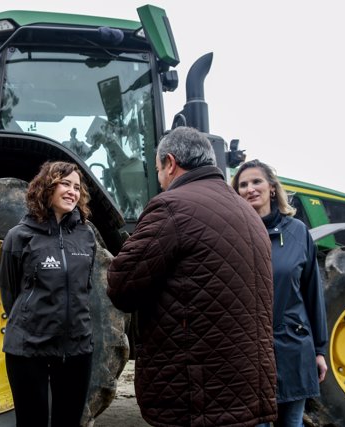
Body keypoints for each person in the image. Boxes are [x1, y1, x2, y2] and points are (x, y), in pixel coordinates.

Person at [107, 126, 277, 427]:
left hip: (195, 394)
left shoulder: (172, 207)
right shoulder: (249, 213)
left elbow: (122, 287)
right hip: (248, 387)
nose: (160, 181)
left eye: (159, 170)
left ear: (171, 163)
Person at [0, 161, 96, 427]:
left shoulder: (86, 236)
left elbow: (85, 287)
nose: (72, 192)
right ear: (46, 188)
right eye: (65, 184)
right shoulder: (19, 236)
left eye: (77, 187)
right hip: (29, 348)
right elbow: (9, 290)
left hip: (76, 348)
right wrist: (31, 318)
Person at [232, 159, 328, 427]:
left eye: (256, 181)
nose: (250, 189)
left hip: (294, 350)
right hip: (250, 355)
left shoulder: (298, 233)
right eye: (243, 185)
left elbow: (313, 295)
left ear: (272, 188)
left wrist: (319, 350)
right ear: (236, 192)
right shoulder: (234, 236)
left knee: (292, 423)